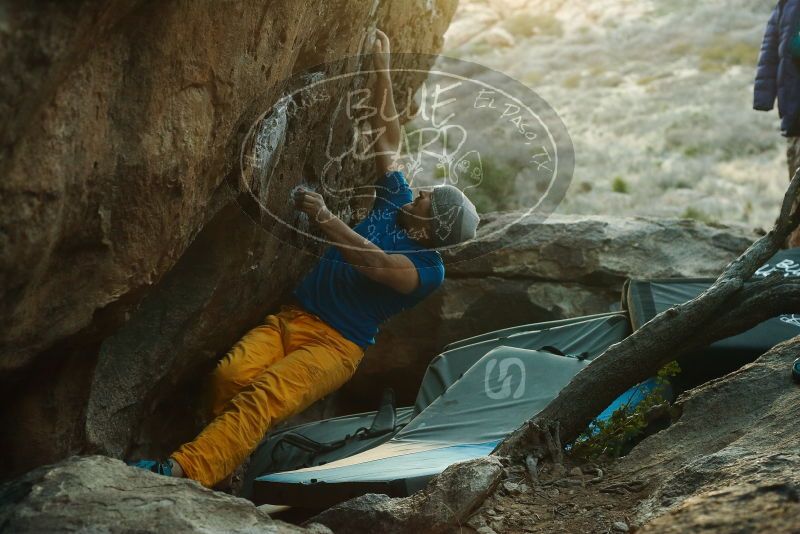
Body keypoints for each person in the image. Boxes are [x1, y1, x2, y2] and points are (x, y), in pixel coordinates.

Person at [130, 29, 480, 488]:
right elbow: (386, 134)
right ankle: (226, 458)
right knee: (228, 378)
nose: (426, 190)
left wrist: (324, 217)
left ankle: (180, 472)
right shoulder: (397, 200)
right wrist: (382, 66)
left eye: (433, 198)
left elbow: (372, 263)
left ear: (432, 226)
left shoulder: (428, 272)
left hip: (334, 347)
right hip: (292, 317)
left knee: (264, 398)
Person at [754, 0, 800, 248]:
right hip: (794, 117)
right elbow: (770, 49)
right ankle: (794, 259)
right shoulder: (787, 5)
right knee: (795, 192)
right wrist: (763, 96)